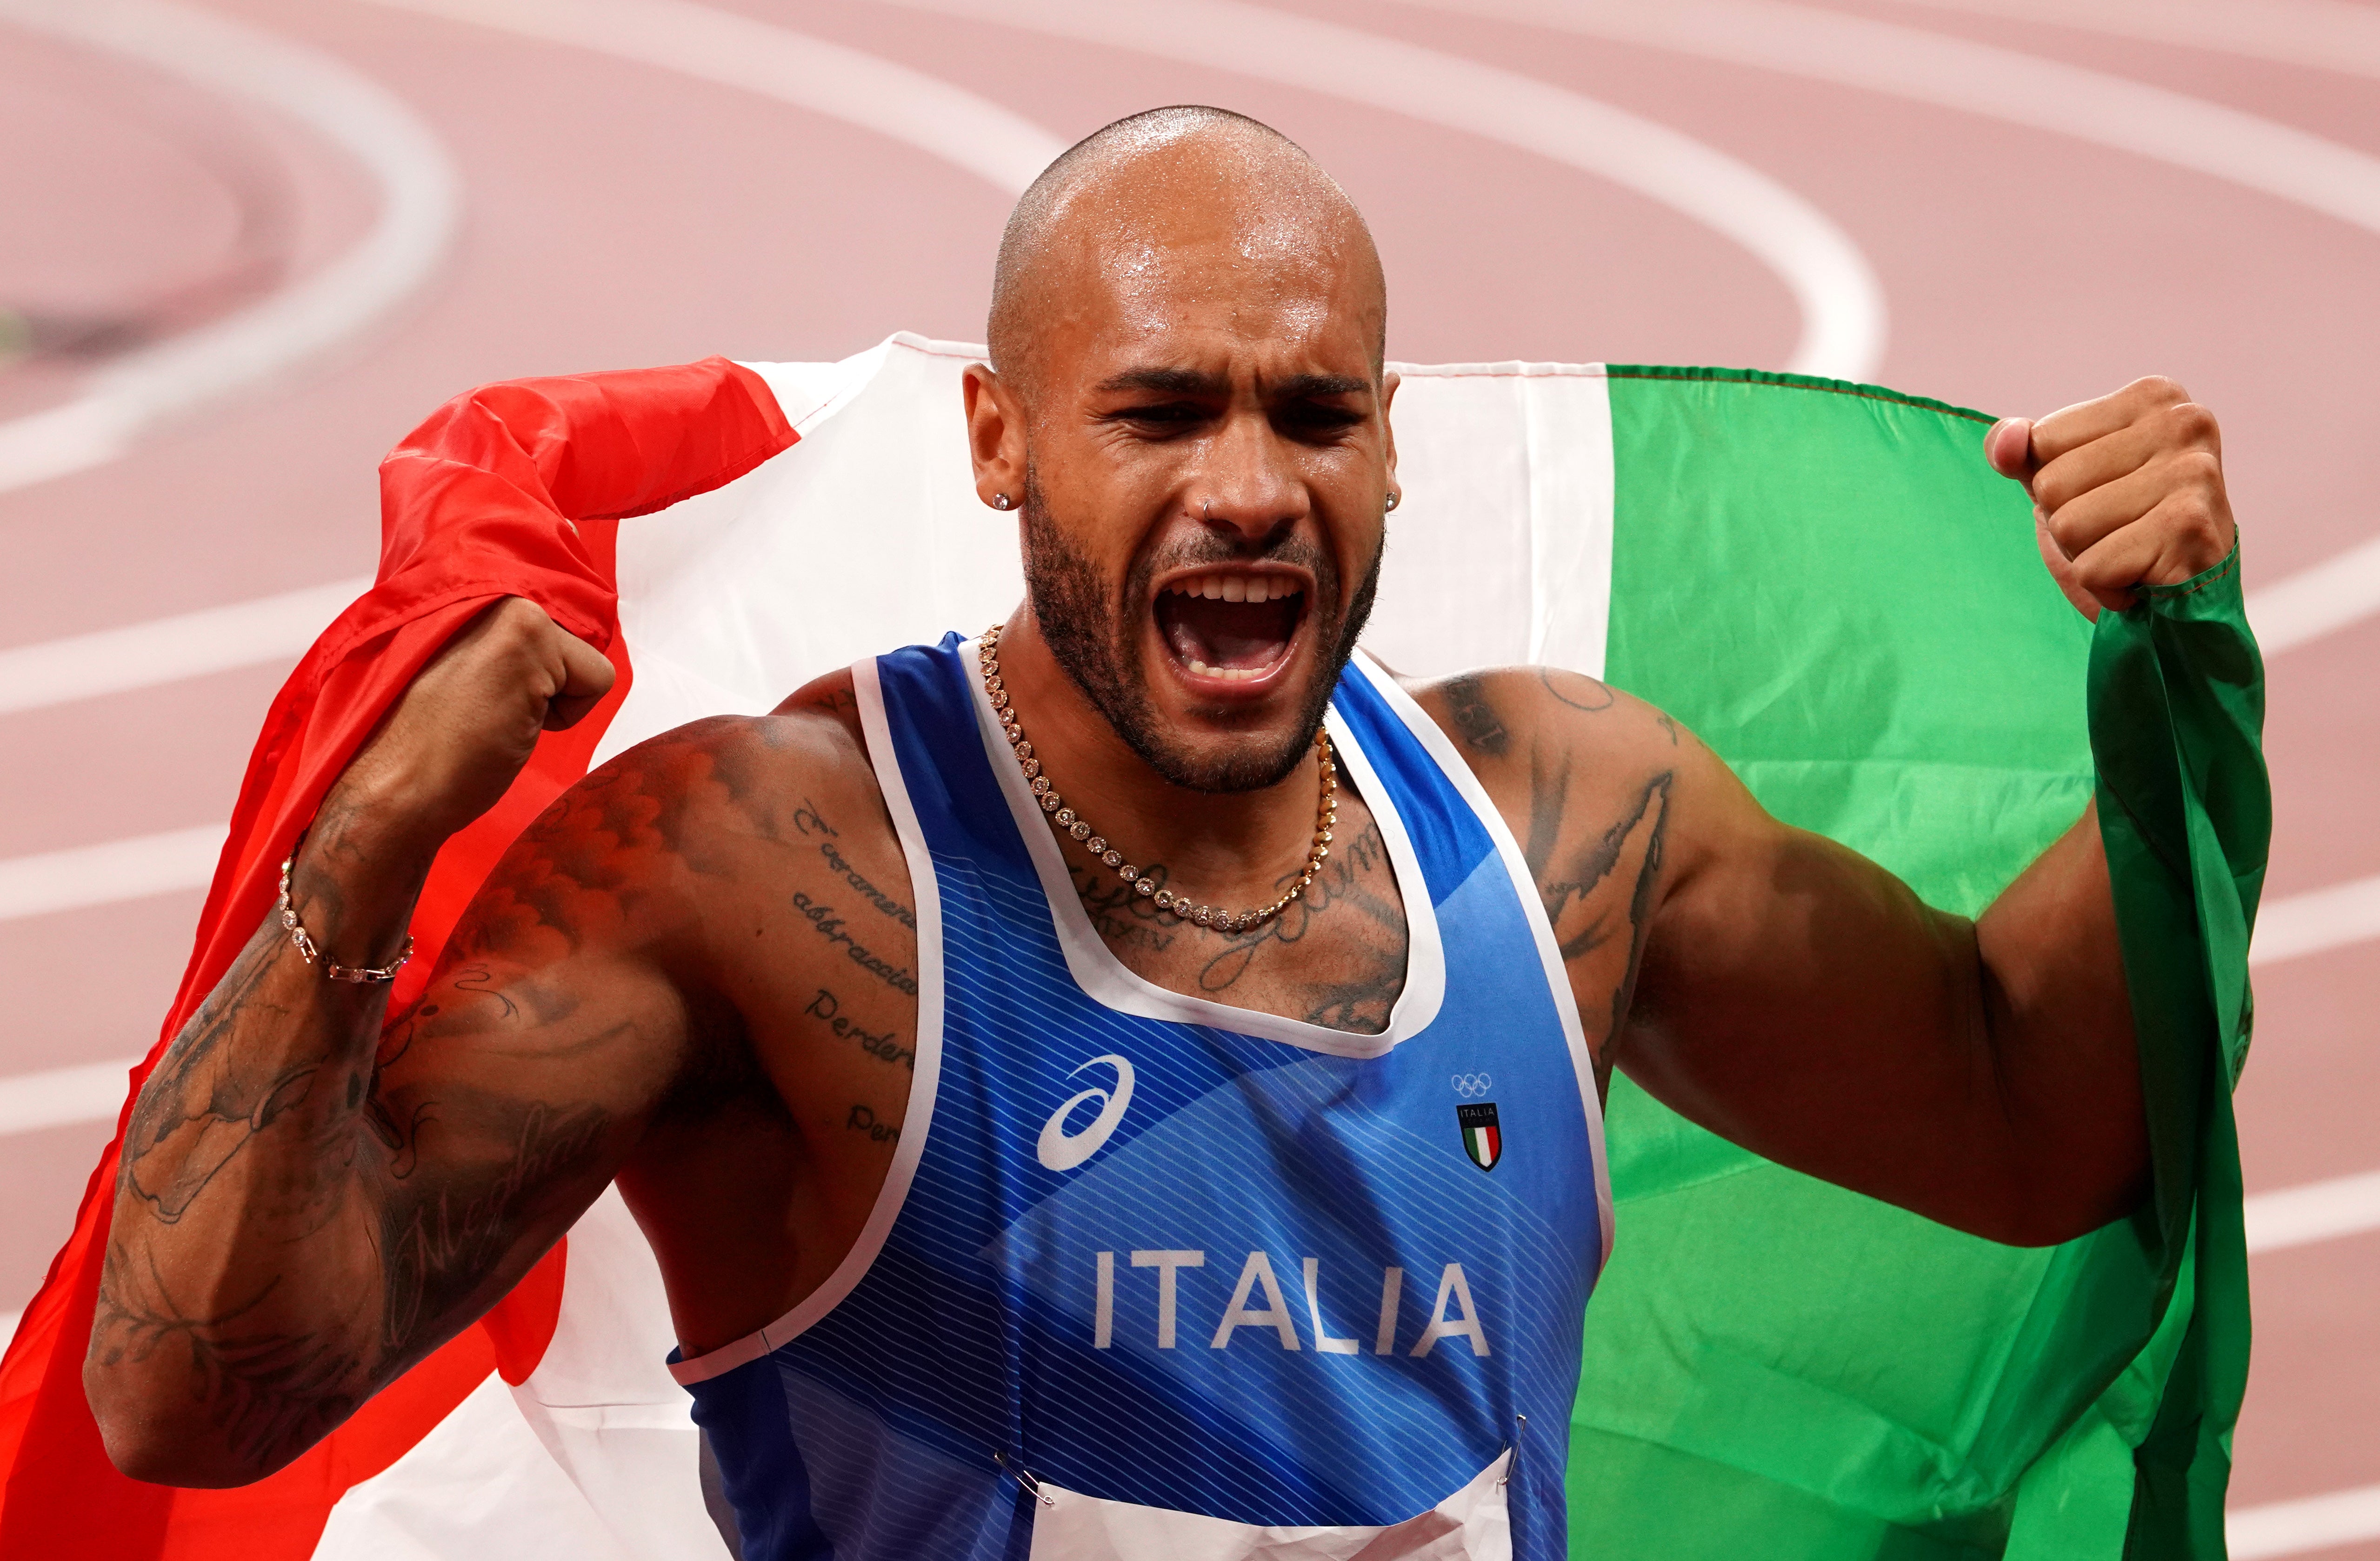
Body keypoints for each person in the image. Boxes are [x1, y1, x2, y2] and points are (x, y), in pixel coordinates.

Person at [84, 106, 2236, 1557]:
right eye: (1159, 409)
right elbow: (190, 1391)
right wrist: (361, 855)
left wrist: (2154, 660)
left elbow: (2026, 1107)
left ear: (1387, 452)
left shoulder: (1566, 821)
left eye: (1310, 412)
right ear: (999, 442)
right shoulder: (768, 864)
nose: (1244, 482)